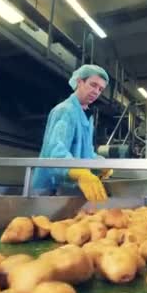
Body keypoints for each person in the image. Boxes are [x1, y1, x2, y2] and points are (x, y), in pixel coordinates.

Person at [32, 64, 112, 202]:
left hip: (68, 189)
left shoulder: (86, 116)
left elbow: (86, 153)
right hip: (49, 190)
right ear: (80, 82)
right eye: (93, 85)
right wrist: (80, 173)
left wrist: (101, 164)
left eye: (100, 89)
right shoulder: (65, 110)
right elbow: (56, 152)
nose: (96, 92)